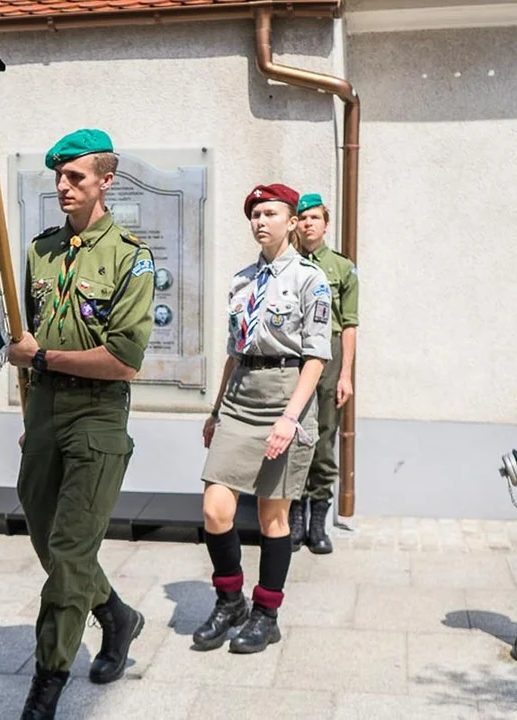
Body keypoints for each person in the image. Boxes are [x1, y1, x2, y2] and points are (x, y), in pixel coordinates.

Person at [8, 129, 155, 720]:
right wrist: (30, 407)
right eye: (59, 178)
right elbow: (22, 340)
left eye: (76, 178)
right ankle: (118, 615)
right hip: (44, 413)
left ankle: (45, 690)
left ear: (106, 181)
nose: (63, 188)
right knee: (49, 540)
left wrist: (41, 359)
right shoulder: (41, 252)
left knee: (69, 555)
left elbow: (123, 360)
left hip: (96, 416)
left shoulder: (130, 256)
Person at [193, 183, 331, 654]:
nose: (260, 221)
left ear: (292, 221)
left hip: (285, 396)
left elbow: (315, 358)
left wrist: (290, 419)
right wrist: (216, 411)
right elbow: (234, 352)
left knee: (274, 516)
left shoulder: (311, 281)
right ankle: (228, 599)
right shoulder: (241, 280)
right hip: (240, 397)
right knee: (215, 508)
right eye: (254, 214)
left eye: (270, 213)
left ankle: (266, 612)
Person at [289, 193, 359, 554]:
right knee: (293, 428)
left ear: (326, 223)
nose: (307, 223)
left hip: (328, 356)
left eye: (314, 217)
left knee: (325, 434)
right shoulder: (288, 264)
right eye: (302, 218)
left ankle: (318, 520)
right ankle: (294, 517)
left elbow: (349, 324)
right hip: (294, 351)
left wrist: (345, 374)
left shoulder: (342, 268)